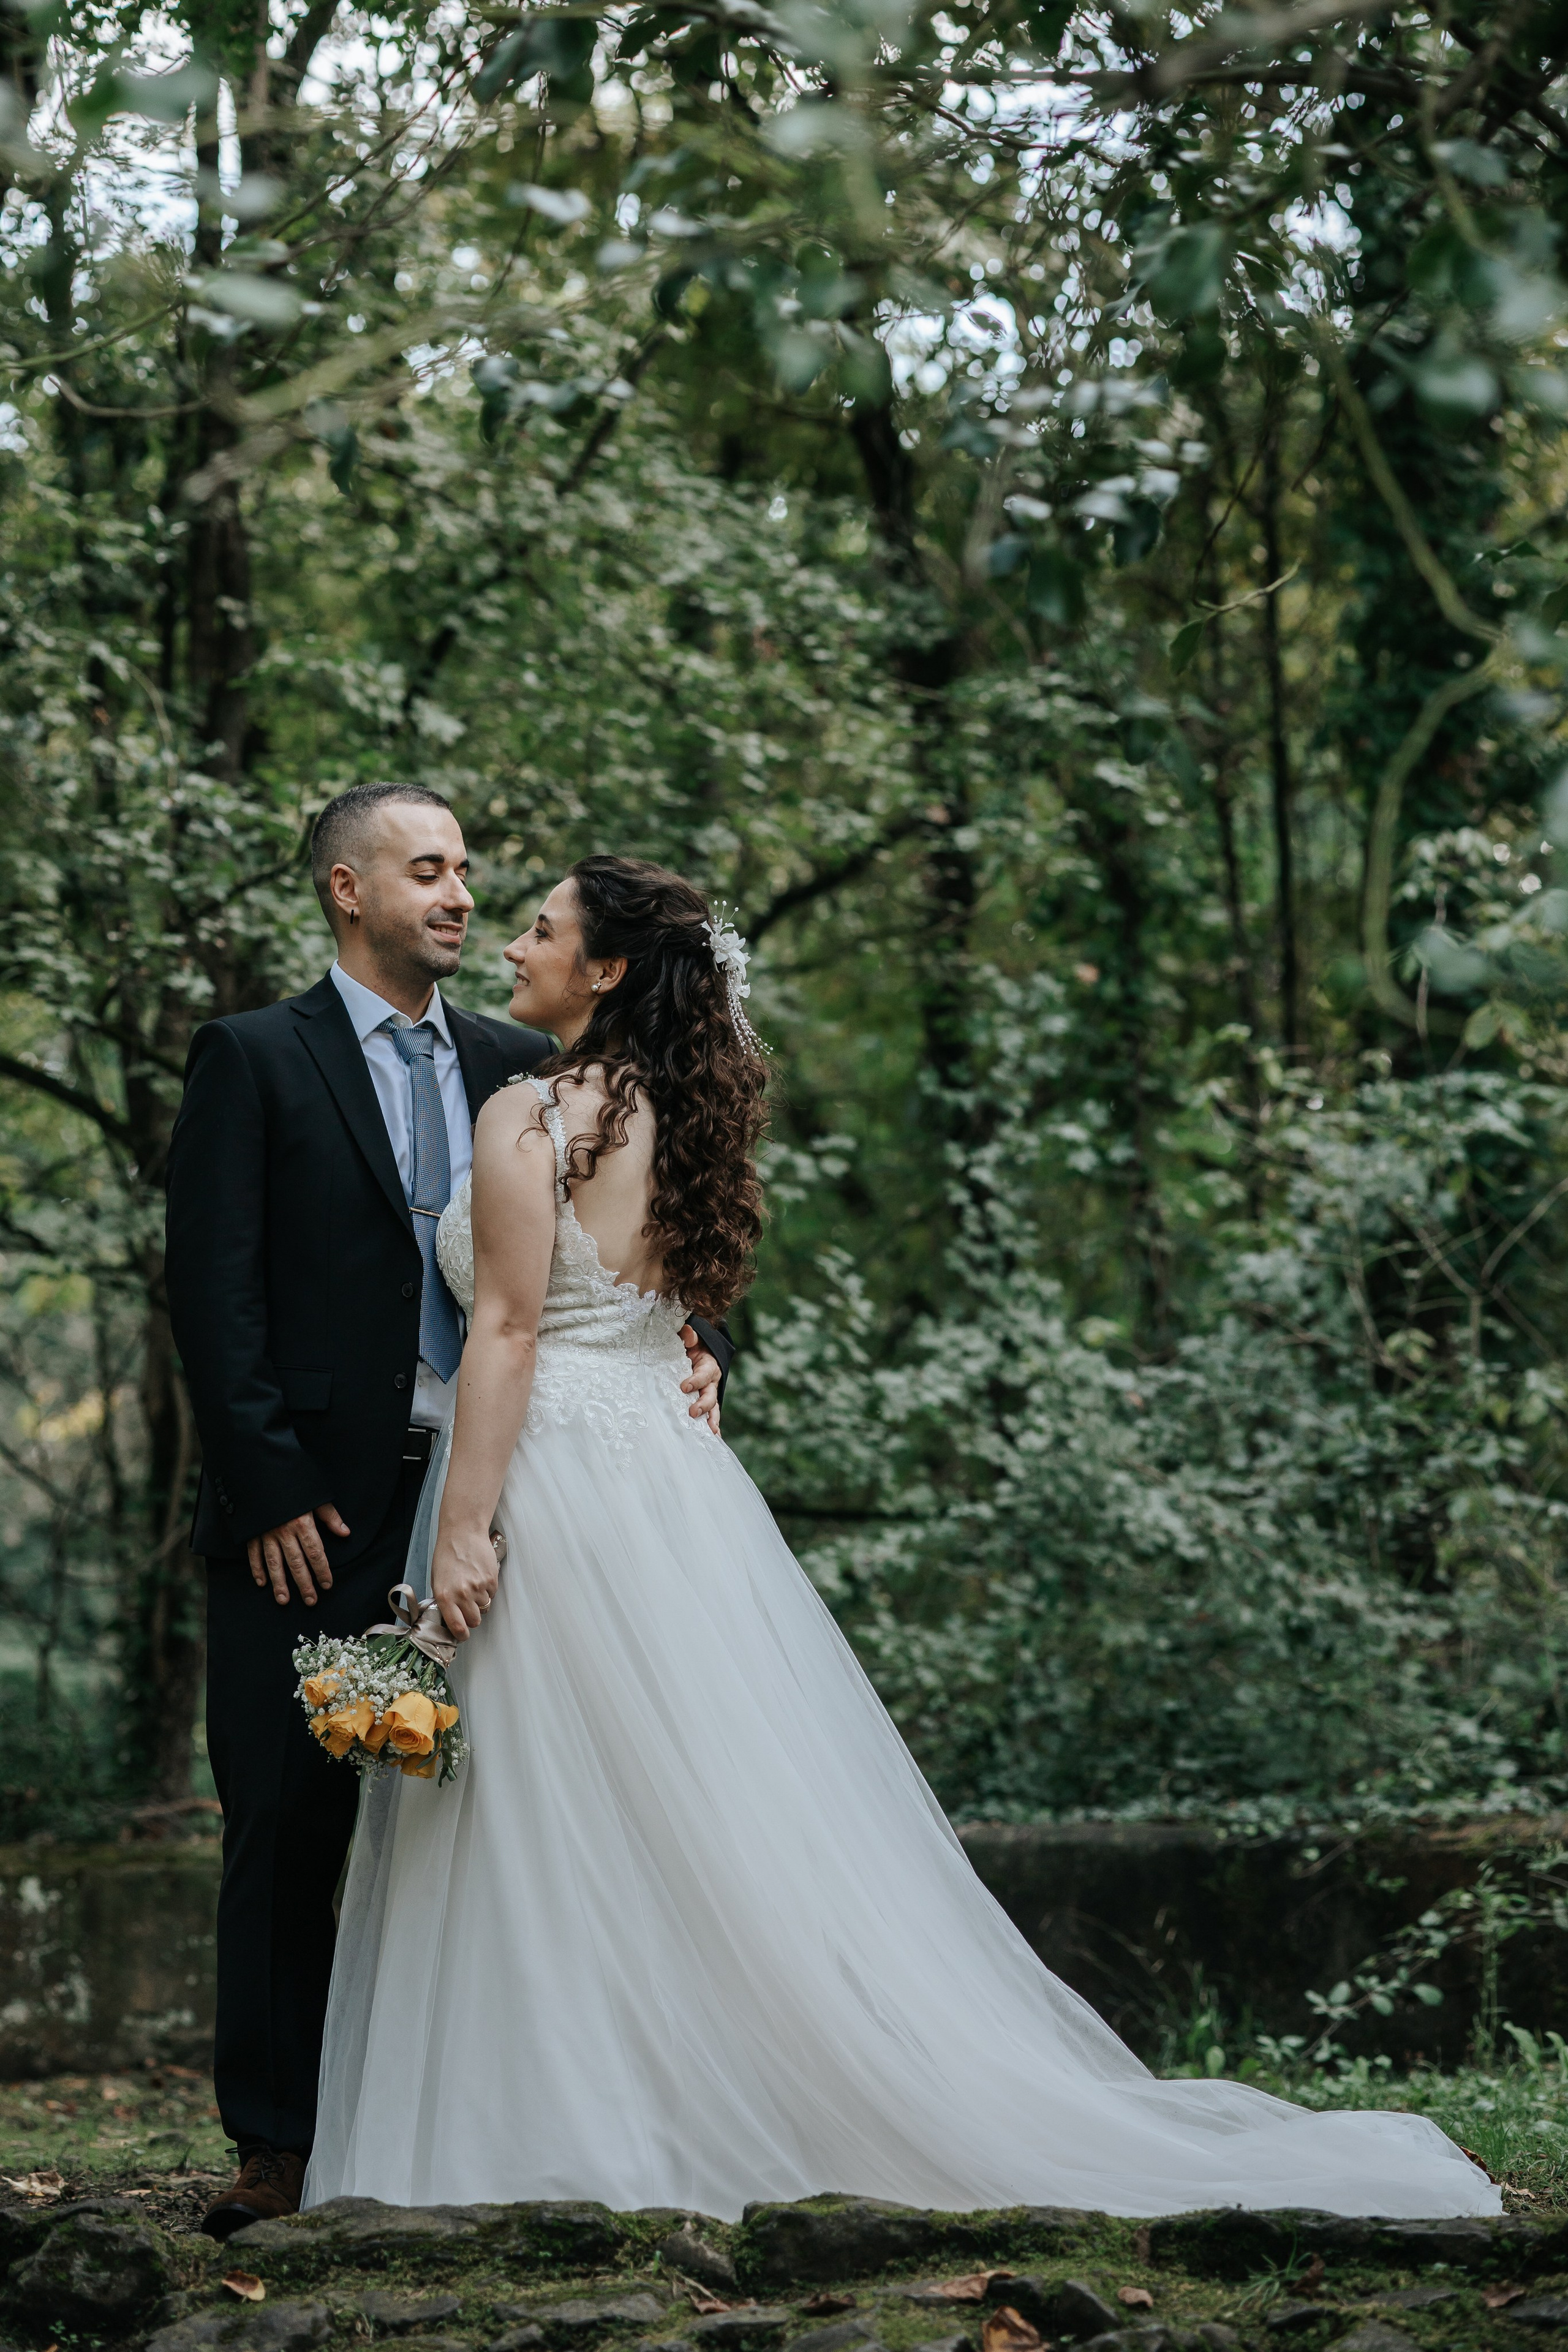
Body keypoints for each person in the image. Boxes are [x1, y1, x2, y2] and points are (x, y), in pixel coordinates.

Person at [304, 851, 1498, 2223]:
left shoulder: (529, 1111)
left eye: (541, 928)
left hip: (555, 1474)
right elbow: (665, 1313)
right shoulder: (683, 1111)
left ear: (608, 969)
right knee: (689, 1810)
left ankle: (552, 2132)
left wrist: (461, 1531)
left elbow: (510, 1331)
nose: (513, 945)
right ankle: (655, 2104)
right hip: (671, 1487)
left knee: (542, 1811)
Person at [164, 792, 725, 2241]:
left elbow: (639, 1238)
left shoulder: (522, 1062)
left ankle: (495, 2113)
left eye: (470, 870)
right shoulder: (253, 1057)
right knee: (284, 1816)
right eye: (429, 870)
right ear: (347, 890)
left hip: (512, 1493)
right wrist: (267, 1486)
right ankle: (276, 2147)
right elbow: (212, 1292)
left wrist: (699, 1343)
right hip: (313, 1507)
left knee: (508, 1818)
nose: (462, 895)